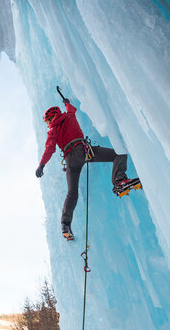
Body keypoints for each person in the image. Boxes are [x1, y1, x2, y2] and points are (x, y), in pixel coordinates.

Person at [35, 99, 136, 240]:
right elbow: (72, 109)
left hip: (71, 159)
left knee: (72, 194)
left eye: (47, 121)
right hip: (84, 151)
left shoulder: (52, 131)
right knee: (119, 154)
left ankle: (65, 225)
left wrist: (41, 165)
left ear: (52, 117)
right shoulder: (69, 116)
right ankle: (119, 181)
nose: (48, 124)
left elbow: (50, 149)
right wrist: (66, 103)